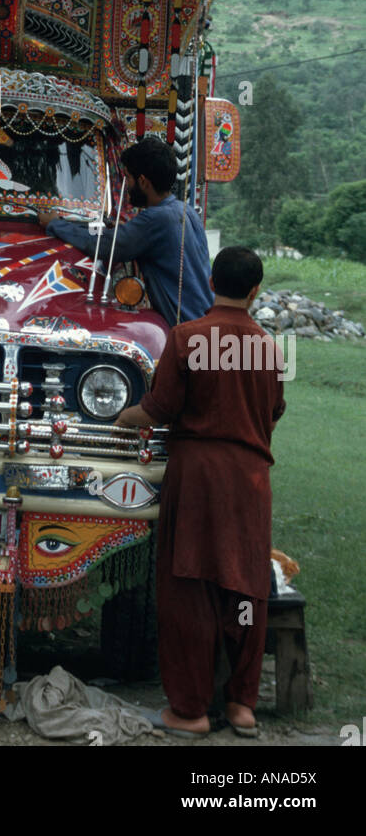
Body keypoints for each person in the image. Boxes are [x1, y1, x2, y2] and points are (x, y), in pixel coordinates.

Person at [116, 246, 286, 738]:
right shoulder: (270, 349)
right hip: (250, 481)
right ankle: (241, 704)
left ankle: (189, 710)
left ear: (210, 283)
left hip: (196, 478)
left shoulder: (187, 338)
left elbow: (157, 410)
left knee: (189, 587)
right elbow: (274, 412)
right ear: (255, 292)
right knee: (245, 586)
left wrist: (119, 418)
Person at [46, 135, 212, 326]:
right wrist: (86, 227)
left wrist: (55, 223)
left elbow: (104, 244)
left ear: (143, 182)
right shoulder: (185, 211)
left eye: (128, 178)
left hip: (186, 331)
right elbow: (108, 235)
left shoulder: (157, 219)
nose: (126, 188)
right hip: (203, 326)